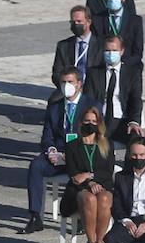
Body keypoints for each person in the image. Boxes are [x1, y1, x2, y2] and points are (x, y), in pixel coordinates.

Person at [22, 67, 97, 233]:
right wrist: (51, 150)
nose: (66, 85)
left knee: (82, 171)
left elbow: (96, 138)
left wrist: (70, 155)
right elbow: (47, 135)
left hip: (79, 156)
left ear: (79, 84)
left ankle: (80, 217)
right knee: (36, 165)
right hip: (59, 155)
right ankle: (35, 216)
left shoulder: (91, 106)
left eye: (70, 82)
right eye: (63, 82)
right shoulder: (55, 106)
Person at [61, 106, 115, 243]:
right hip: (79, 190)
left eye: (93, 121)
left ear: (99, 123)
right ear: (81, 122)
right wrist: (89, 183)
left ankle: (100, 241)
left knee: (104, 199)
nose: (90, 124)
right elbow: (74, 174)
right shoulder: (73, 145)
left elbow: (107, 170)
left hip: (103, 185)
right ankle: (91, 242)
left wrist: (89, 176)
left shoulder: (106, 145)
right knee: (89, 199)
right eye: (87, 121)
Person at [83, 34, 143, 143]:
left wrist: (134, 121)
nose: (111, 53)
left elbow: (136, 99)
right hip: (101, 118)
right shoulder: (94, 73)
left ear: (122, 51)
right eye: (107, 50)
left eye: (114, 50)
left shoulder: (132, 73)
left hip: (123, 118)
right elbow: (89, 98)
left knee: (136, 138)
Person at [93, 0, 144, 65]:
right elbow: (94, 48)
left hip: (128, 67)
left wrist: (122, 65)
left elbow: (138, 51)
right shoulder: (97, 20)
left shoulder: (135, 21)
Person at [51, 5, 99, 88]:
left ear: (88, 22)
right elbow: (56, 73)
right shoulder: (63, 46)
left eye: (79, 21)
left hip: (94, 89)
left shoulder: (101, 45)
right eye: (73, 22)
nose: (76, 24)